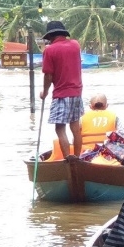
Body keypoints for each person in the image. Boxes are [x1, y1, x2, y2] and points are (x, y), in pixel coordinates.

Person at [39, 20, 84, 159]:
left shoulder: (50, 50)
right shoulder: (75, 45)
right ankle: (77, 158)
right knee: (75, 128)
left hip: (61, 94)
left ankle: (67, 159)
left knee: (60, 128)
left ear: (50, 37)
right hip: (77, 92)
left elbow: (48, 75)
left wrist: (45, 92)